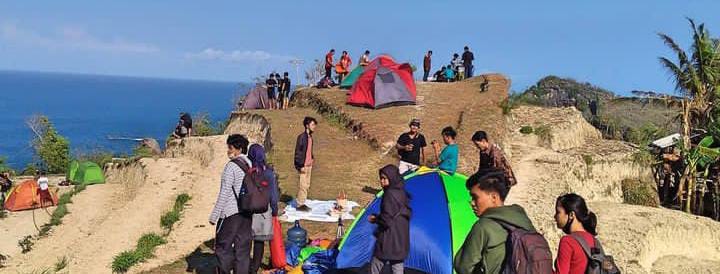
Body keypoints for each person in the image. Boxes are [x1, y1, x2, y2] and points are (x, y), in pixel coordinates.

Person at [454, 171, 538, 274]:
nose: (472, 203)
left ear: (494, 197)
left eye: (475, 197)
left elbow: (462, 267)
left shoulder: (483, 227)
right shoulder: (522, 220)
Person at [210, 134, 253, 274]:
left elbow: (224, 193)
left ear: (239, 149)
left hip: (230, 213)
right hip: (247, 212)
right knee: (243, 249)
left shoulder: (231, 167)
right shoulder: (249, 164)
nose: (228, 150)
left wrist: (214, 216)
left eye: (231, 147)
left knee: (223, 247)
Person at [368, 165, 411, 274]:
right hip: (401, 236)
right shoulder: (402, 192)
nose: (382, 181)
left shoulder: (389, 194)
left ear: (391, 178)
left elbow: (386, 219)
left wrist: (375, 219)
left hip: (389, 237)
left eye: (384, 178)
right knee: (397, 263)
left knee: (377, 263)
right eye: (381, 178)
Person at [247, 144, 280, 273]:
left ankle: (244, 264)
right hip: (263, 210)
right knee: (259, 241)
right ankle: (254, 267)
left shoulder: (248, 171)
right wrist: (275, 211)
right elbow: (273, 196)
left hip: (248, 210)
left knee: (247, 239)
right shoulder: (268, 173)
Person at [553, 193, 598, 274]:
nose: (555, 216)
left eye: (558, 212)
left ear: (571, 215)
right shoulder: (593, 240)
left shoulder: (567, 241)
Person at [294, 116, 317, 212]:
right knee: (303, 185)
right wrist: (300, 165)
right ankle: (300, 204)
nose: (314, 126)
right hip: (303, 165)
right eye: (312, 124)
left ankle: (302, 201)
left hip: (309, 164)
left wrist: (312, 158)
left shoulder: (310, 137)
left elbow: (308, 150)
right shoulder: (302, 137)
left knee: (307, 185)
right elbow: (298, 152)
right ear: (307, 126)